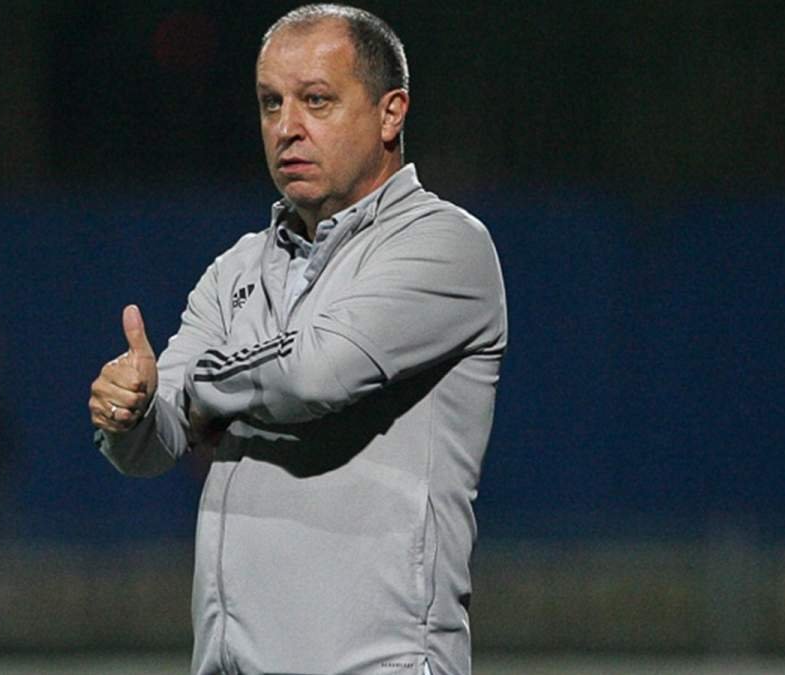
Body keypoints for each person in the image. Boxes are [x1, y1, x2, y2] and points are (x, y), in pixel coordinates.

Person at [89, 5, 506, 674]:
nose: (287, 127)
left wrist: (198, 391)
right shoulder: (237, 268)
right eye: (270, 103)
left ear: (390, 113)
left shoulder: (444, 244)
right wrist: (131, 411)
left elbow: (315, 375)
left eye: (316, 100)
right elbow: (157, 441)